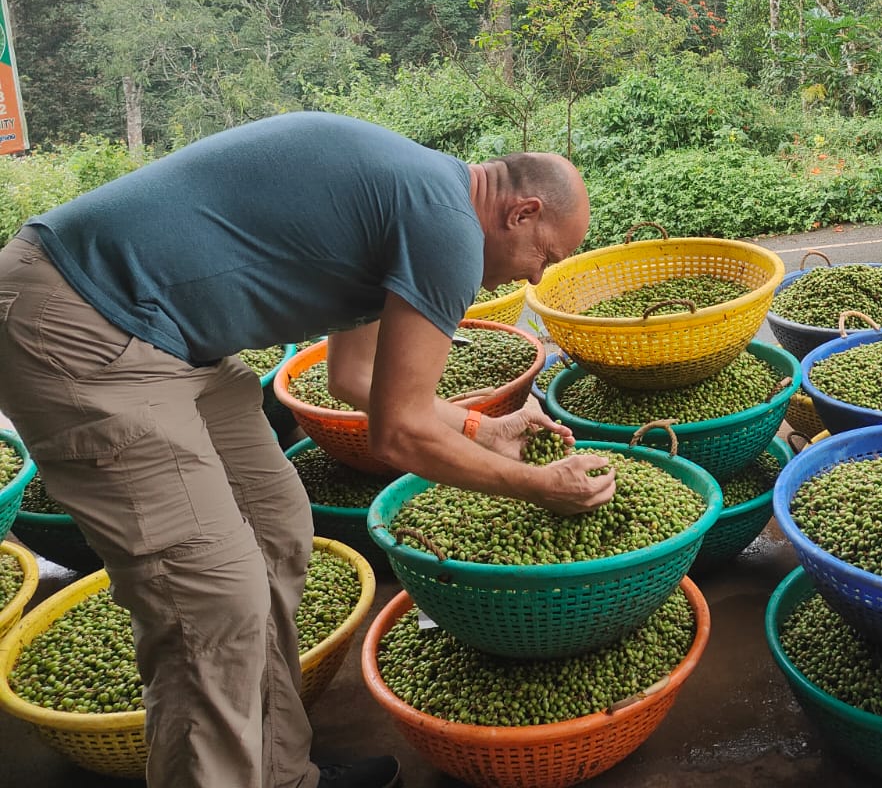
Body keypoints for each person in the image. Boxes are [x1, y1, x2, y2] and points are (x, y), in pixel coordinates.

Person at [0, 112, 616, 788]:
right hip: (80, 319)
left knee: (276, 528)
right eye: (546, 257)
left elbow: (356, 380)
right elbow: (399, 434)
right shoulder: (446, 226)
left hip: (172, 339)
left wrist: (478, 429)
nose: (532, 281)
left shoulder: (417, 201)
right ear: (521, 213)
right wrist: (539, 486)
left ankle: (282, 775)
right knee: (212, 599)